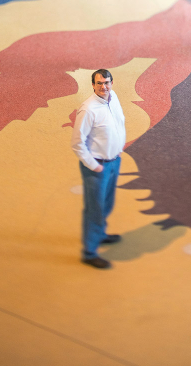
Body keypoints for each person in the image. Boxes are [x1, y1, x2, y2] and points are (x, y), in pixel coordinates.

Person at [71, 69, 126, 269]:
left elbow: (118, 123)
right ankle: (89, 252)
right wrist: (94, 166)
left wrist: (117, 150)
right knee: (95, 209)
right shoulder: (88, 109)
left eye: (107, 82)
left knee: (107, 203)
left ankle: (100, 234)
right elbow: (77, 143)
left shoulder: (113, 98)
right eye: (99, 83)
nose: (104, 87)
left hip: (113, 161)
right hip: (97, 166)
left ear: (112, 83)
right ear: (93, 85)